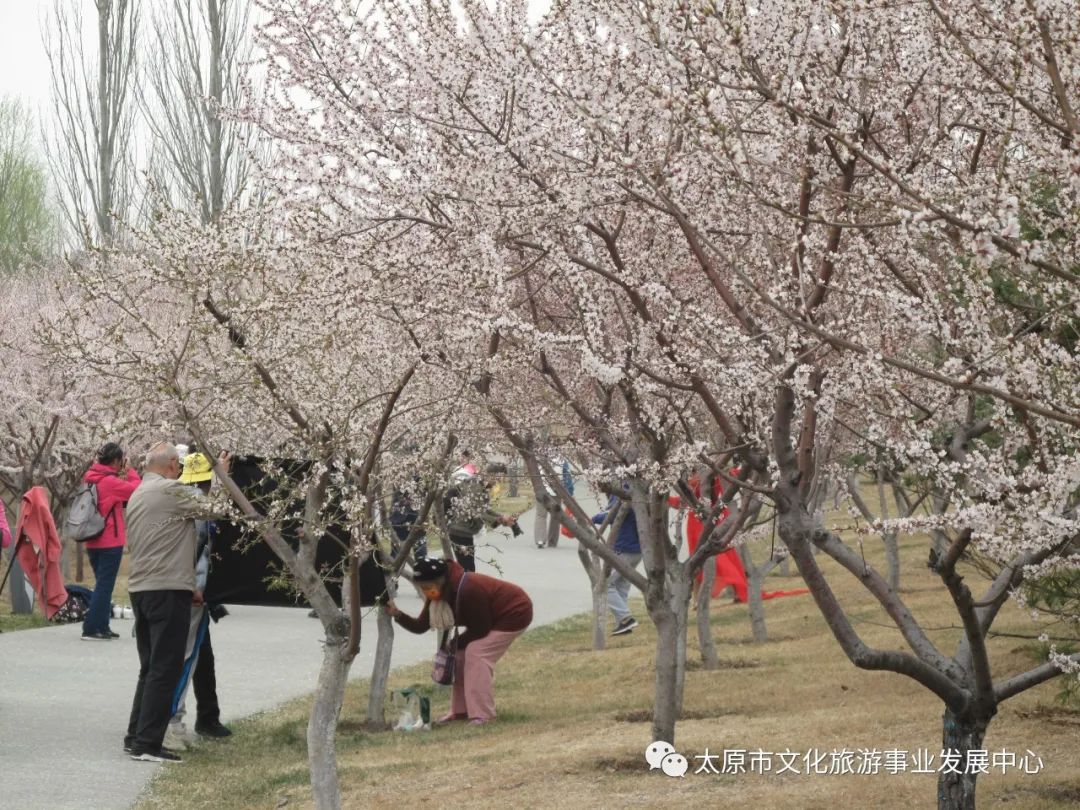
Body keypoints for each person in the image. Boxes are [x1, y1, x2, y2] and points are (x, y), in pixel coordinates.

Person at [123, 441, 227, 763]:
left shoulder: (139, 493)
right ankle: (147, 744)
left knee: (150, 668)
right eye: (178, 467)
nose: (180, 472)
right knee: (165, 669)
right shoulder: (170, 491)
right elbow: (216, 509)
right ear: (169, 465)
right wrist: (222, 474)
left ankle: (135, 736)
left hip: (142, 588)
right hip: (167, 589)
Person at [387, 556, 532, 724]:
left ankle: (484, 714)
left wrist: (453, 644)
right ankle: (460, 711)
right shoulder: (438, 593)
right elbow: (421, 626)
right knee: (460, 655)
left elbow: (481, 629)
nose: (426, 592)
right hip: (491, 619)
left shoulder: (469, 589)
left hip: (515, 613)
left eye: (428, 587)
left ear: (440, 581)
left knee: (477, 653)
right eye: (422, 588)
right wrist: (397, 614)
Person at [165, 448, 232, 749]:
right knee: (184, 659)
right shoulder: (197, 510)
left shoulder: (177, 499)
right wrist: (225, 479)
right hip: (191, 593)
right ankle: (171, 721)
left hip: (173, 590)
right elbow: (199, 549)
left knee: (184, 657)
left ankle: (178, 719)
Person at [81, 442, 141, 641]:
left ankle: (102, 625)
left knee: (102, 584)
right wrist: (131, 471)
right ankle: (91, 628)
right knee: (104, 586)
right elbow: (137, 490)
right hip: (109, 541)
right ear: (116, 461)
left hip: (92, 540)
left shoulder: (90, 478)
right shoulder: (110, 482)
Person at [443, 465, 516, 572]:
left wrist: (500, 518)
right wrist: (500, 519)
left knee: (466, 568)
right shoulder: (475, 487)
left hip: (463, 530)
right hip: (459, 530)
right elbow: (476, 512)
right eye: (498, 478)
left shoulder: (480, 485)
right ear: (490, 475)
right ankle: (461, 588)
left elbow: (483, 509)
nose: (498, 482)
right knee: (467, 569)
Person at [593, 490, 642, 636]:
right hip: (637, 549)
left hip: (624, 548)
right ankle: (622, 623)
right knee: (621, 586)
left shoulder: (620, 489)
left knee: (604, 584)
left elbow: (613, 514)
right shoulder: (635, 489)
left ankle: (626, 617)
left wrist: (593, 518)